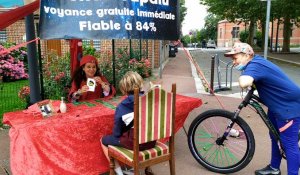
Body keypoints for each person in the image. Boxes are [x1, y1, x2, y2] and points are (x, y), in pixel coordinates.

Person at [225, 42, 300, 175]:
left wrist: (244, 78)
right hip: (276, 105)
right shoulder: (257, 61)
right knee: (275, 136)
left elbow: (244, 82)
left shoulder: (254, 65)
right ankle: (274, 168)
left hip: (287, 107)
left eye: (235, 58)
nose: (234, 62)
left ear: (246, 55)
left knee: (289, 144)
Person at [100, 71, 155, 175]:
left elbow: (117, 133)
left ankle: (120, 173)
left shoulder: (123, 106)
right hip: (151, 141)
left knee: (103, 140)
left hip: (134, 143)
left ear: (124, 89)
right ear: (140, 83)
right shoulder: (149, 99)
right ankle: (147, 168)